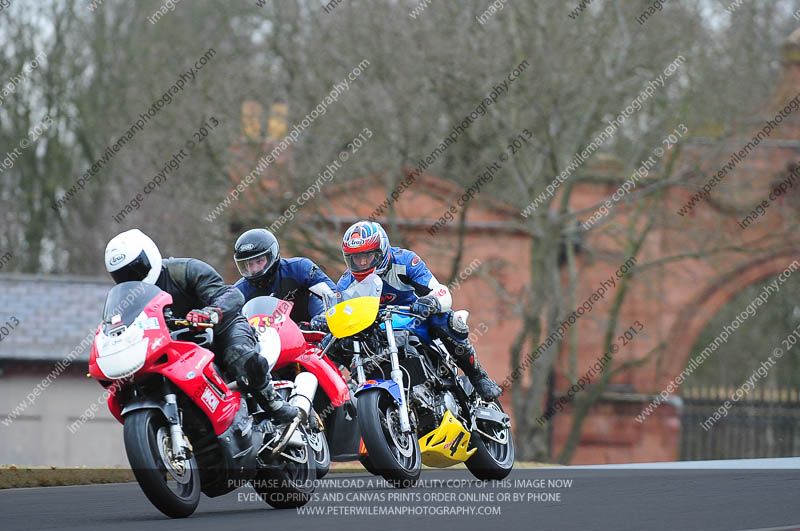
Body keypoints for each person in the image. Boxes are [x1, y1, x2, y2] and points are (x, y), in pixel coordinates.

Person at [103, 228, 298, 422]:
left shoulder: (184, 271)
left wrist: (210, 312)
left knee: (239, 354)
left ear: (150, 257)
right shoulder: (127, 300)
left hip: (221, 329)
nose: (132, 277)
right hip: (176, 346)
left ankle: (273, 402)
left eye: (136, 269)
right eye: (123, 274)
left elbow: (230, 295)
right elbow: (118, 327)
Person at [331, 220, 501, 400]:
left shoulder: (405, 261)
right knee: (337, 343)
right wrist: (324, 323)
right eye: (357, 258)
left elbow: (441, 291)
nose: (363, 262)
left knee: (445, 320)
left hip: (415, 320)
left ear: (381, 251)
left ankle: (478, 377)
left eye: (368, 255)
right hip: (374, 332)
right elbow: (340, 316)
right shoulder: (346, 284)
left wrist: (430, 301)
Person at [233, 228, 337, 324]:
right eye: (249, 264)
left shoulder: (301, 267)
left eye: (259, 261)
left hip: (314, 334)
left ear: (272, 256)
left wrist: (326, 317)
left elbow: (334, 296)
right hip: (268, 340)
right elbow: (223, 322)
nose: (254, 269)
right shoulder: (239, 291)